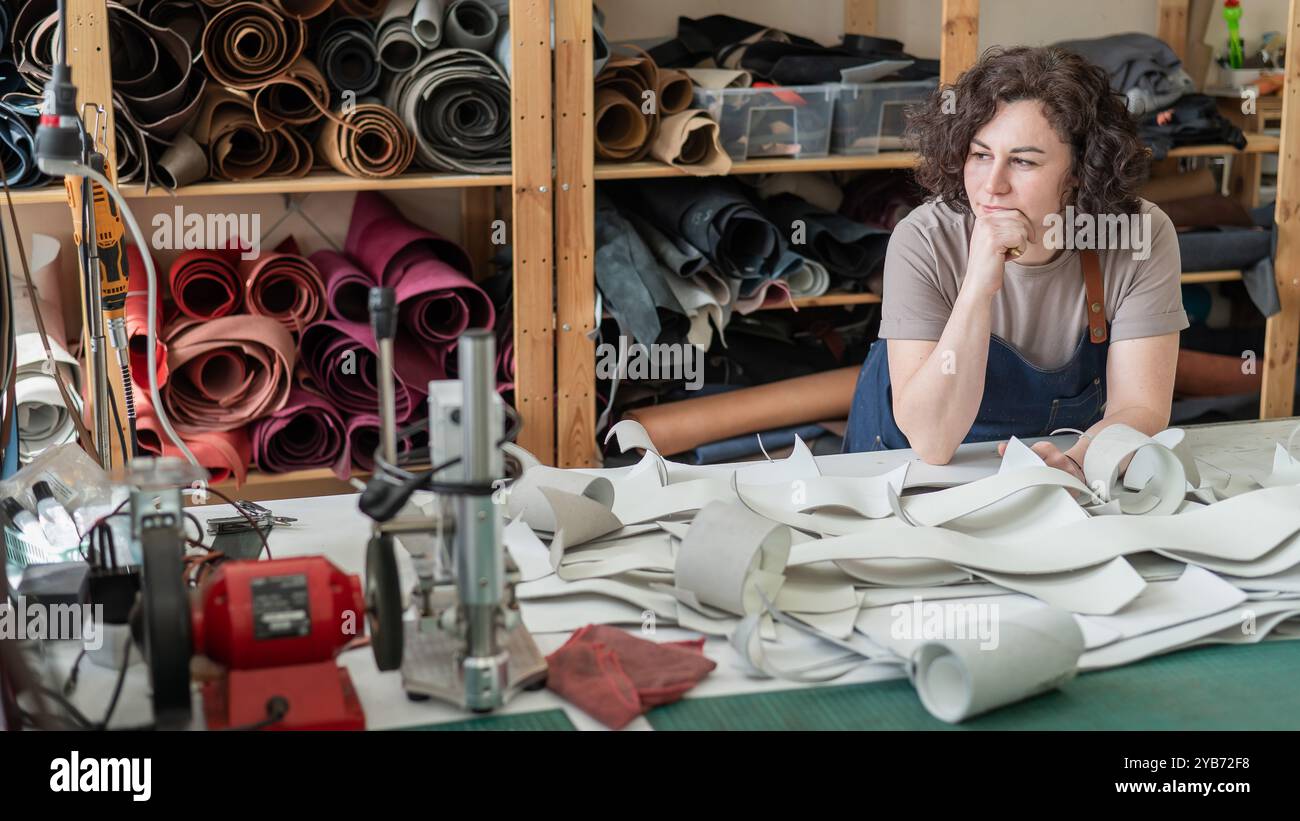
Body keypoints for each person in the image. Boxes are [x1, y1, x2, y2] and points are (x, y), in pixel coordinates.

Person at [844, 46, 1187, 483]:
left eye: (1023, 161)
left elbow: (1141, 405)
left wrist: (1081, 461)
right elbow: (932, 441)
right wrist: (977, 289)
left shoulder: (1140, 235)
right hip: (904, 472)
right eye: (980, 154)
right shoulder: (923, 239)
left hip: (1050, 472)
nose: (992, 185)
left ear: (1082, 169)